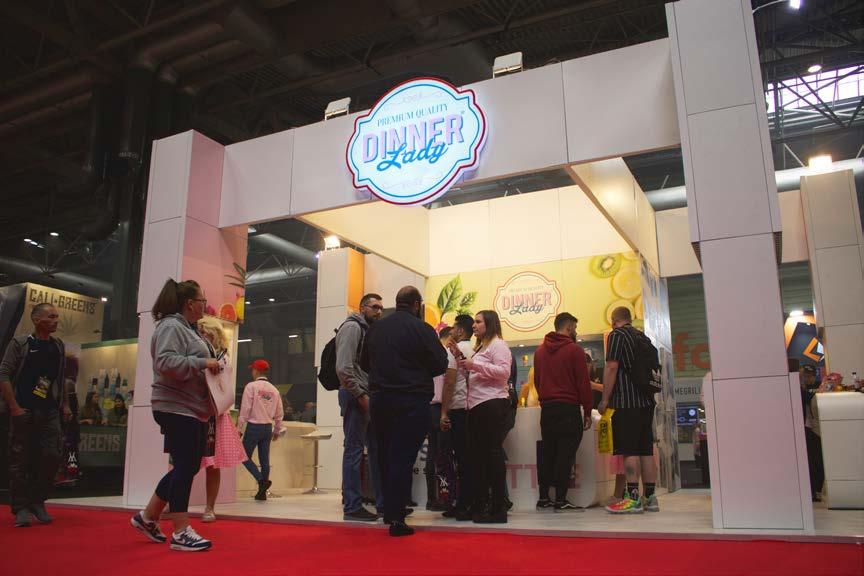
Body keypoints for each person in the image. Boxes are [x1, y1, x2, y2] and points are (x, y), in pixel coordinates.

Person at [130, 279, 218, 552]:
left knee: (187, 466)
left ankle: (148, 516)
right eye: (202, 300)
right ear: (190, 303)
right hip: (176, 407)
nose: (206, 305)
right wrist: (204, 362)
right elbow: (165, 362)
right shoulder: (171, 326)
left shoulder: (188, 329)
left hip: (191, 407)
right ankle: (180, 530)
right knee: (185, 466)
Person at [362, 286, 448, 536]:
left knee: (384, 456)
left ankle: (388, 510)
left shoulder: (376, 329)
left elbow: (364, 363)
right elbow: (440, 364)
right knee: (403, 457)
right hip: (411, 400)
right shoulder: (422, 329)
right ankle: (397, 519)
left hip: (380, 400)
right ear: (416, 305)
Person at [0, 303, 70, 527]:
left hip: (49, 410)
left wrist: (65, 404)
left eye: (57, 316)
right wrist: (14, 407)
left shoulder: (58, 346)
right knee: (20, 459)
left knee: (52, 455)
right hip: (24, 409)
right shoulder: (20, 343)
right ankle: (21, 508)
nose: (56, 320)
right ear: (37, 320)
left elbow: (60, 377)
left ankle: (37, 501)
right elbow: (4, 374)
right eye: (51, 317)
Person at [450, 310, 511, 524]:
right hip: (477, 405)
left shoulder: (498, 345)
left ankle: (499, 507)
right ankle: (484, 505)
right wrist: (461, 358)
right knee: (480, 458)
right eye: (474, 322)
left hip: (492, 403)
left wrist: (474, 364)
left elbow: (504, 372)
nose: (473, 326)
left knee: (492, 455)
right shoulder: (481, 347)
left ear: (489, 324)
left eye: (478, 322)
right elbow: (475, 374)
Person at [598, 306, 659, 514]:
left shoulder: (617, 335)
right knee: (645, 450)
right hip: (647, 402)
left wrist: (605, 399)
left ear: (613, 320)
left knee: (629, 450)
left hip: (626, 402)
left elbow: (612, 367)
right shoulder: (643, 337)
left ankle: (632, 498)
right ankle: (650, 498)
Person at [533, 312, 593, 512]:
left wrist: (546, 398)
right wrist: (587, 410)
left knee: (548, 453)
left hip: (547, 409)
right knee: (565, 454)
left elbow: (538, 381)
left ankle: (543, 497)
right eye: (574, 328)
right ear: (568, 328)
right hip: (568, 408)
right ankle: (560, 499)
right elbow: (583, 383)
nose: (576, 332)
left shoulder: (539, 352)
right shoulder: (575, 351)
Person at [335, 293, 384, 522]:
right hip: (356, 395)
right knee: (354, 451)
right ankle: (352, 506)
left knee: (375, 450)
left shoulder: (367, 330)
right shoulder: (352, 327)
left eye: (381, 308)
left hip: (366, 395)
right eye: (375, 307)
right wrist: (360, 394)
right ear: (362, 308)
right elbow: (343, 368)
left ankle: (383, 504)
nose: (379, 311)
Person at [197, 317, 246, 521]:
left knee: (213, 463)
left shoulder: (222, 358)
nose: (200, 335)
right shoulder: (198, 352)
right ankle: (173, 502)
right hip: (197, 410)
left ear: (213, 334)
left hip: (214, 413)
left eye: (204, 332)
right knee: (185, 462)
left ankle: (209, 507)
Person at [440, 314, 476, 519]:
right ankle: (468, 502)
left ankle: (464, 503)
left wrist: (444, 411)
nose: (451, 331)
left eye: (453, 327)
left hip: (459, 408)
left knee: (461, 459)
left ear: (460, 330)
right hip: (471, 408)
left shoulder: (455, 350)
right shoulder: (474, 350)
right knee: (468, 458)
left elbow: (450, 382)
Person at [238, 359, 283, 501]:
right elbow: (279, 413)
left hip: (254, 426)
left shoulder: (251, 386)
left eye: (252, 369)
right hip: (267, 428)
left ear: (256, 371)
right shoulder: (274, 390)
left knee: (243, 456)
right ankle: (262, 493)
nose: (252, 372)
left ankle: (260, 480)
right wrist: (277, 430)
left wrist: (239, 428)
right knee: (264, 460)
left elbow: (245, 409)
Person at [425, 326, 451, 512]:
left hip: (429, 407)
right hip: (439, 408)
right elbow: (447, 385)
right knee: (442, 454)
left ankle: (431, 498)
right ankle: (443, 497)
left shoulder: (430, 356)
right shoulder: (444, 356)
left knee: (432, 453)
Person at [800, 364, 825, 502]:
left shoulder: (812, 388)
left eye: (811, 376)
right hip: (807, 429)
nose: (809, 378)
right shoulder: (800, 390)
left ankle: (816, 491)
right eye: (806, 376)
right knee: (812, 460)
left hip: (812, 429)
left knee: (815, 460)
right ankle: (813, 491)